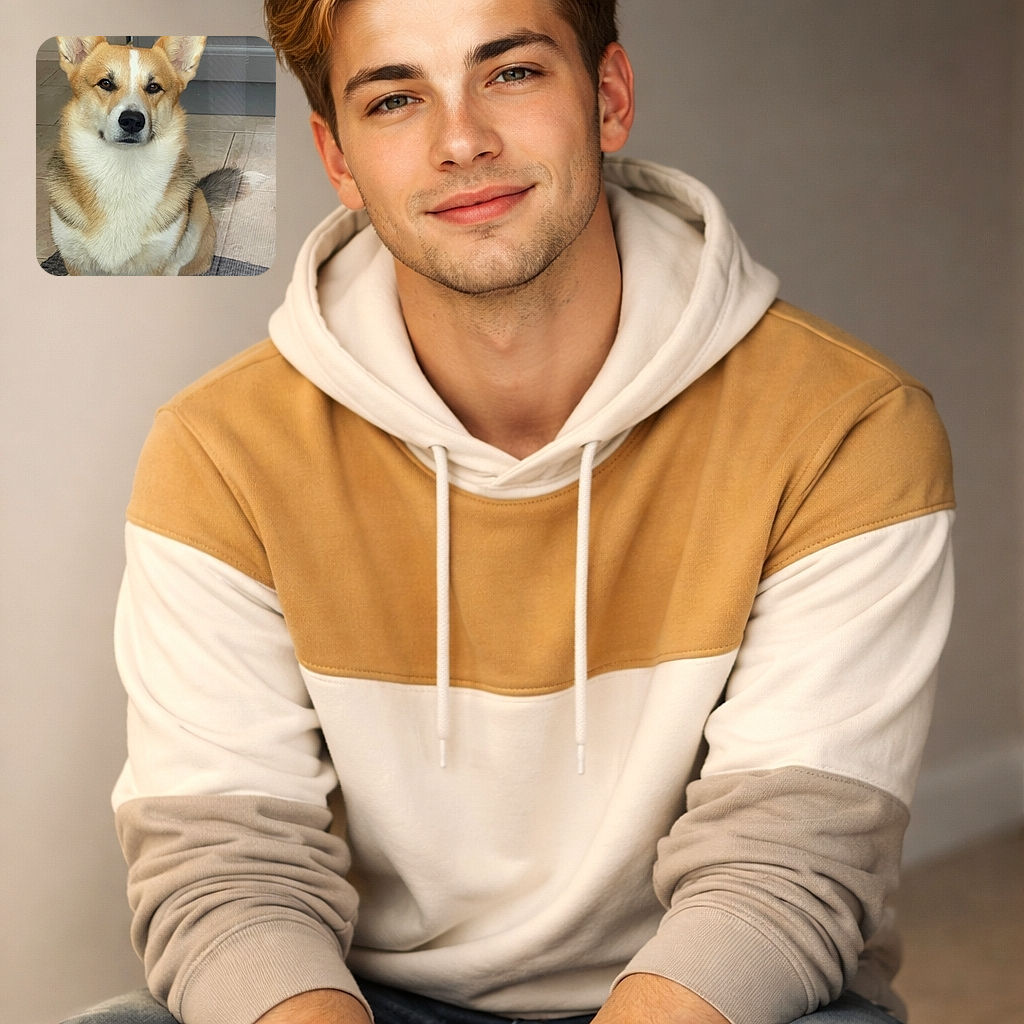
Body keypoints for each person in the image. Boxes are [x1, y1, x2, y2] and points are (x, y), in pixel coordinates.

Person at [64, 1, 955, 1022]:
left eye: (512, 74)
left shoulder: (844, 426)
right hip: (367, 998)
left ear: (608, 98)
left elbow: (783, 869)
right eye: (395, 98)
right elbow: (228, 873)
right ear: (339, 160)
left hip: (714, 996)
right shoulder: (219, 451)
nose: (460, 142)